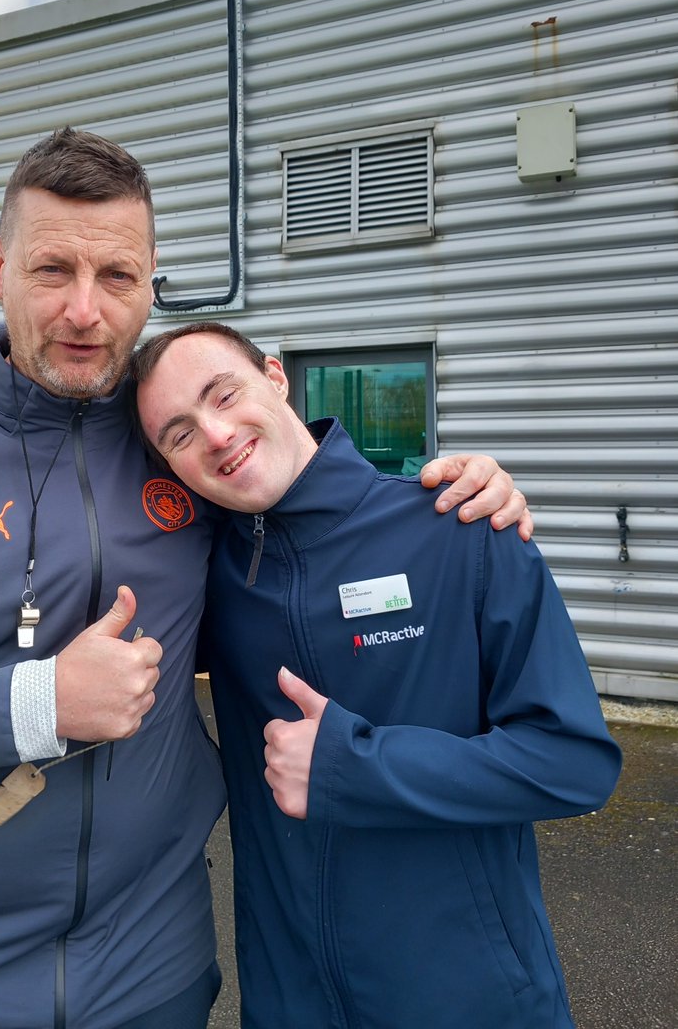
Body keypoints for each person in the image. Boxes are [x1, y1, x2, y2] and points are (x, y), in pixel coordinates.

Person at [0, 128, 527, 1029]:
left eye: (119, 278)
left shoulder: (180, 449)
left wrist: (443, 503)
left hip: (152, 974)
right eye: (53, 269)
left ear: (151, 280)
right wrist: (39, 703)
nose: (85, 311)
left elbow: (319, 539)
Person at [132, 322, 623, 1029]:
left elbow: (574, 762)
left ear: (276, 378)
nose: (213, 434)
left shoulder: (460, 530)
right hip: (289, 1002)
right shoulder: (205, 581)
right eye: (178, 434)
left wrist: (353, 768)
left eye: (224, 394)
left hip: (472, 1002)